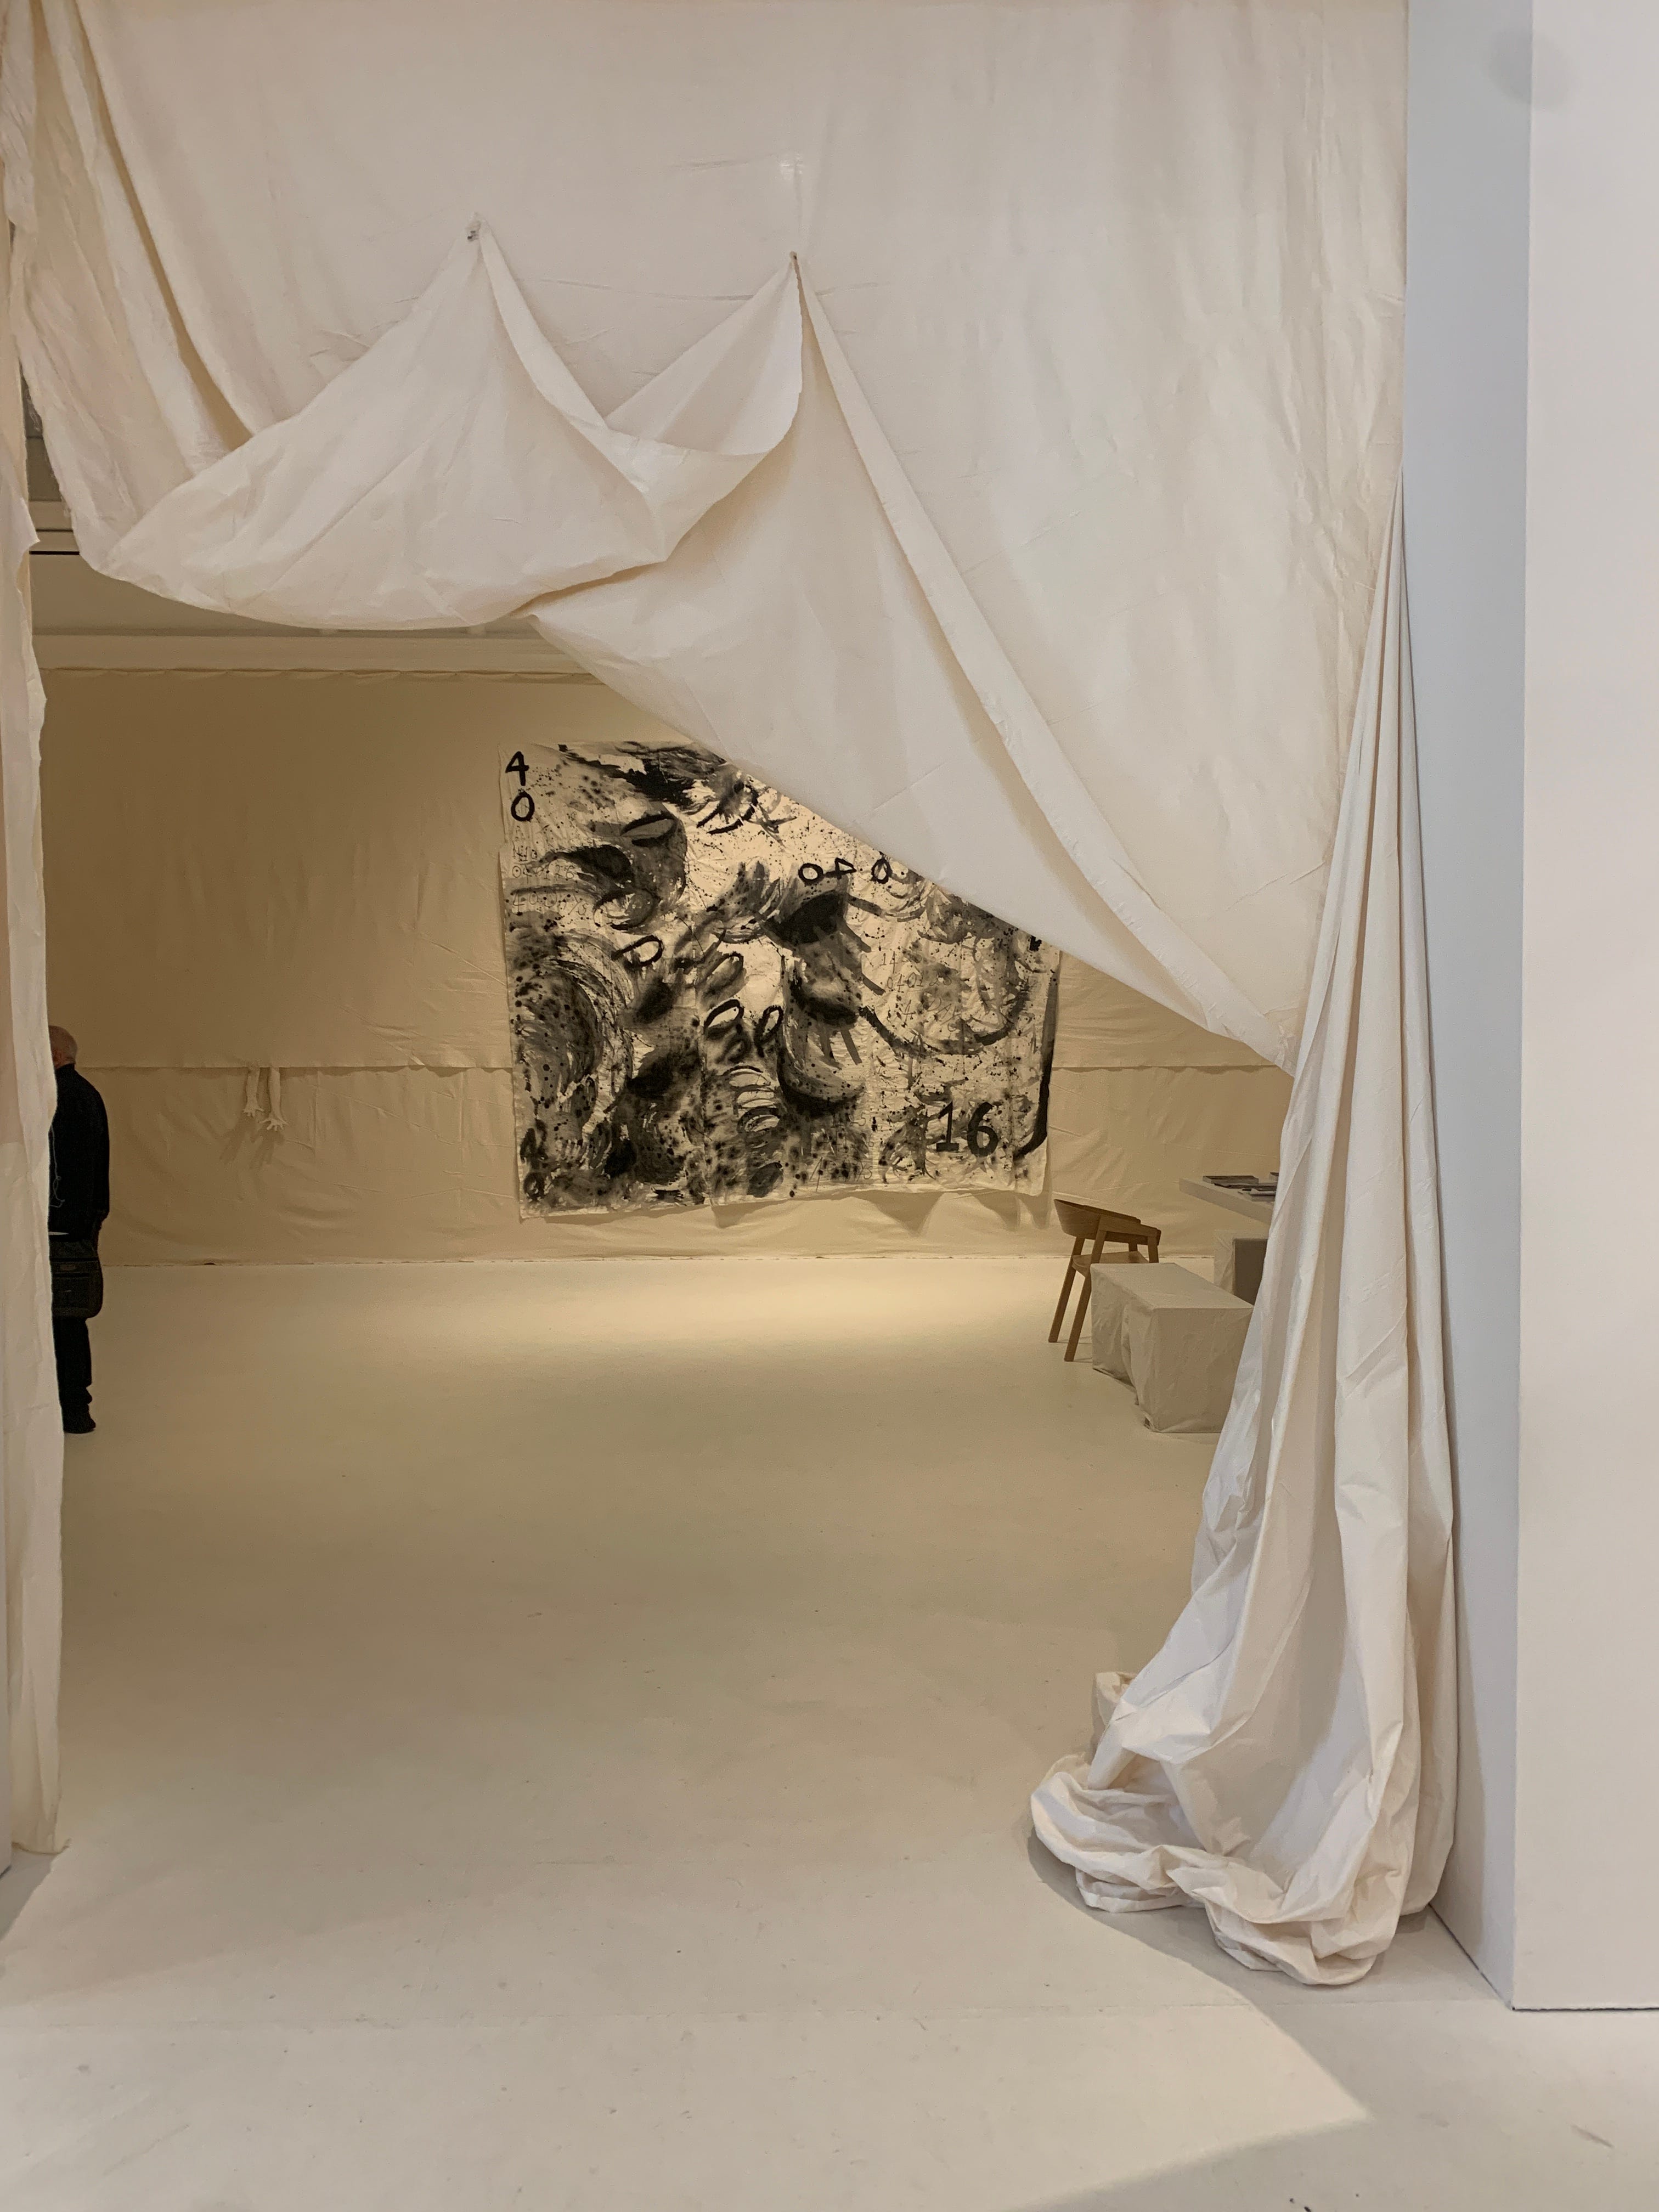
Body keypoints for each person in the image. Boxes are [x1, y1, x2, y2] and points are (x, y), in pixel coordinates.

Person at [48, 1025, 109, 1435]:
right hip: (72, 1227)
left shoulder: (64, 1098)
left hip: (63, 1231)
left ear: (56, 1056)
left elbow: (66, 1172)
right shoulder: (82, 1095)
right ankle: (71, 1405)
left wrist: (60, 1223)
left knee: (64, 1319)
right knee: (65, 1319)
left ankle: (73, 1406)